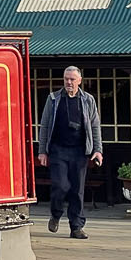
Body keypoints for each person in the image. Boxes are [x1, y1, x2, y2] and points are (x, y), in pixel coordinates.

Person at [36, 65, 102, 239]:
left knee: (77, 190)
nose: (69, 82)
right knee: (61, 186)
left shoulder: (88, 100)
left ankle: (76, 227)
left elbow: (95, 126)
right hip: (58, 150)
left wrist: (98, 150)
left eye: (72, 79)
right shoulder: (53, 99)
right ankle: (56, 214)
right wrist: (42, 151)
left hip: (80, 151)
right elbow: (44, 126)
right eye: (66, 79)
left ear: (79, 80)